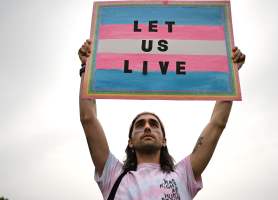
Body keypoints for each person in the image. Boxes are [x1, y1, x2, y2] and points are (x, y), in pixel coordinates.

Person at [78, 39, 246, 200]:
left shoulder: (183, 175)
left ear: (164, 140)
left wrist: (232, 74)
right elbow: (88, 119)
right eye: (140, 124)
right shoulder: (113, 174)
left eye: (153, 124)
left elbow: (217, 124)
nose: (147, 127)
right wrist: (87, 66)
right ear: (130, 142)